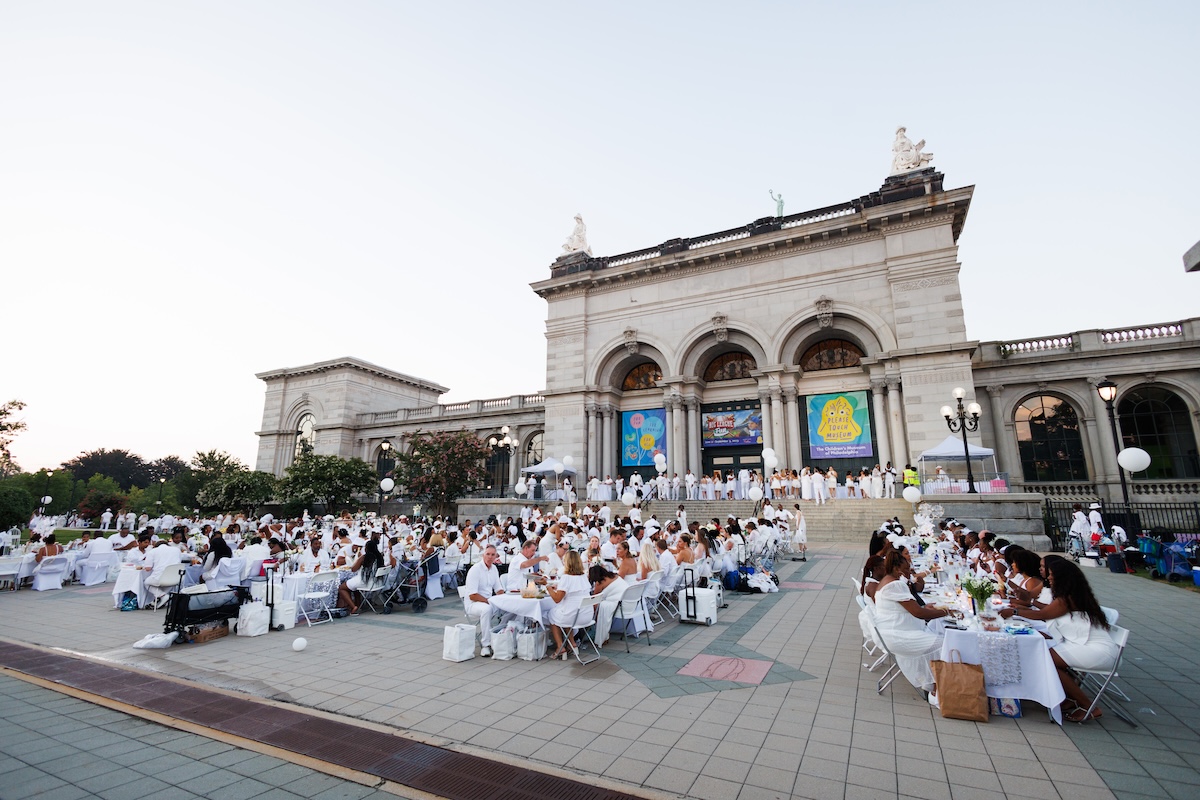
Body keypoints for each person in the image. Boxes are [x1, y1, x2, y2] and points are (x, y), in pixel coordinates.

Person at [1005, 558, 1118, 722]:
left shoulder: (1068, 598)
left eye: (1051, 575)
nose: (1049, 578)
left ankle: (1088, 706)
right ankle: (1066, 698)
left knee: (1045, 658)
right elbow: (1046, 613)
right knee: (1045, 655)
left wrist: (1014, 612)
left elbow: (1042, 615)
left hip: (1097, 650)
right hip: (1081, 645)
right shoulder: (1071, 595)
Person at [873, 550, 949, 696]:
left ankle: (933, 684)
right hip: (897, 636)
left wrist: (925, 609)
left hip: (894, 631)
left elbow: (908, 609)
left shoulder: (887, 580)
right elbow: (918, 614)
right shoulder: (895, 585)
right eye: (907, 569)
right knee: (943, 644)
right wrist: (946, 612)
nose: (910, 572)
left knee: (938, 635)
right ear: (897, 569)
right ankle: (937, 688)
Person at [547, 550, 593, 659]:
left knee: (551, 614)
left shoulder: (566, 578)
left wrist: (548, 588)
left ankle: (560, 647)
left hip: (573, 616)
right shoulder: (583, 577)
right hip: (586, 616)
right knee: (567, 612)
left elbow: (557, 599)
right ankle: (572, 644)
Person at [465, 545, 506, 657]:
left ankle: (503, 638)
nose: (490, 557)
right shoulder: (475, 570)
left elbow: (499, 589)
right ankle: (486, 645)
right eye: (488, 554)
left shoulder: (494, 569)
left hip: (489, 601)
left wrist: (506, 599)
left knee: (510, 609)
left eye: (492, 555)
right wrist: (489, 601)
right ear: (483, 555)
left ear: (495, 556)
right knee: (487, 609)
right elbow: (472, 596)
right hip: (473, 604)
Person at [339, 536, 386, 615]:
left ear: (366, 548)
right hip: (377, 582)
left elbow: (353, 569)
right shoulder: (380, 557)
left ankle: (353, 607)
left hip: (365, 582)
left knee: (342, 588)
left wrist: (358, 559)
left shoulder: (364, 557)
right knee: (354, 586)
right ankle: (358, 604)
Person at [590, 564, 629, 647]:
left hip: (619, 605)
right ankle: (602, 633)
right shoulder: (614, 576)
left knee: (595, 605)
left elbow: (595, 597)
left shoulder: (599, 583)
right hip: (629, 602)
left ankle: (599, 632)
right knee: (600, 604)